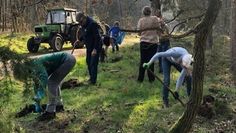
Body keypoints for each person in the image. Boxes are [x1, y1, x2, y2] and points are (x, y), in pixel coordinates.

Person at [13, 52, 76, 121]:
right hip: (67, 60)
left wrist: (40, 94)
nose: (26, 78)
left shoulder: (35, 65)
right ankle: (58, 105)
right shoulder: (32, 70)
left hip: (67, 60)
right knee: (54, 82)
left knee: (52, 83)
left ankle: (50, 112)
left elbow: (44, 77)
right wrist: (37, 102)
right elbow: (37, 84)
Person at [76, 12, 103, 84]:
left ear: (84, 18)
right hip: (89, 46)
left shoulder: (92, 24)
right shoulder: (83, 25)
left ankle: (93, 81)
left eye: (81, 22)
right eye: (79, 23)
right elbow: (85, 34)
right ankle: (91, 78)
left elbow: (98, 38)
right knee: (88, 61)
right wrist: (80, 40)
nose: (80, 24)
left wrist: (95, 49)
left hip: (95, 46)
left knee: (93, 63)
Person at [137, 6, 161, 82]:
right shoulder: (155, 19)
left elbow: (139, 33)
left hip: (143, 42)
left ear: (143, 12)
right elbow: (158, 31)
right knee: (151, 61)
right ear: (150, 12)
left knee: (143, 61)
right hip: (153, 43)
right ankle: (151, 80)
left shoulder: (141, 20)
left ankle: (140, 79)